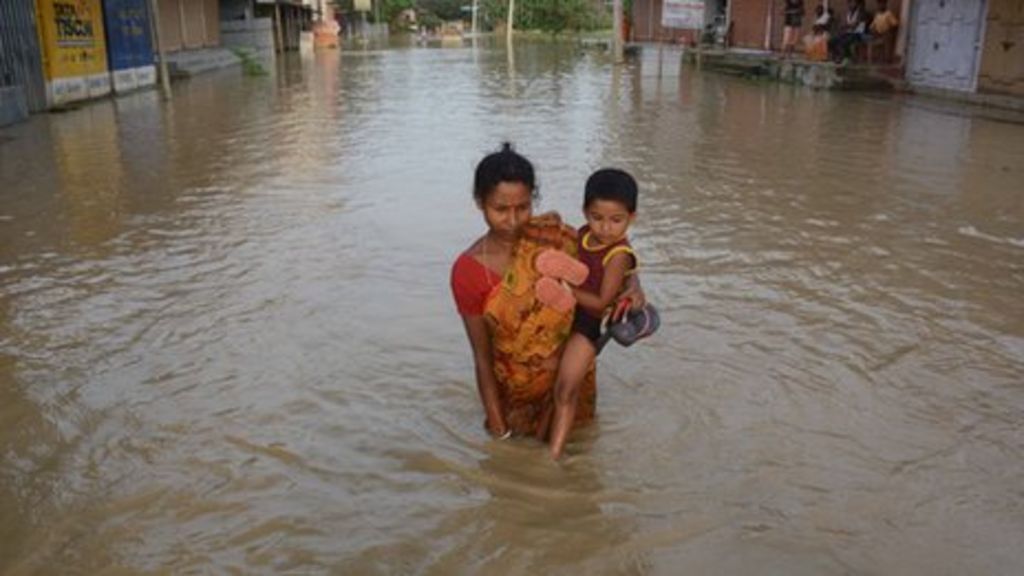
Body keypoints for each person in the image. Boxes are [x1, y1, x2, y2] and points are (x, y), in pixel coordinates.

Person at [451, 144, 643, 440]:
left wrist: (634, 287)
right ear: (480, 202)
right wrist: (500, 432)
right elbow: (482, 358)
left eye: (523, 207)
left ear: (533, 200)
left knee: (580, 464)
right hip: (515, 403)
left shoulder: (554, 238)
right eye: (500, 209)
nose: (513, 220)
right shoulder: (469, 272)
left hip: (572, 390)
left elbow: (611, 257)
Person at [543, 169, 640, 460]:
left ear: (631, 218)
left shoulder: (619, 254)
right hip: (563, 314)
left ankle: (553, 456)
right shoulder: (583, 235)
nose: (605, 228)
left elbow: (600, 303)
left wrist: (565, 289)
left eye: (616, 220)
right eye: (597, 218)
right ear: (585, 212)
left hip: (588, 323)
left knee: (565, 388)